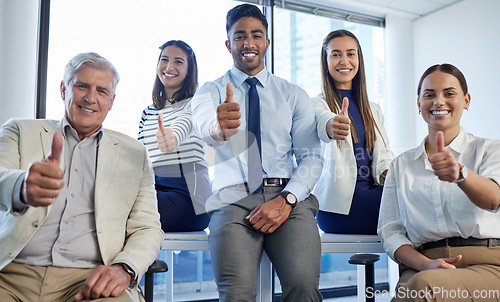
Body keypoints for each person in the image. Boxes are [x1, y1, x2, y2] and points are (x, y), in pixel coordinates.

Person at [0, 52, 163, 301]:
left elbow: (148, 227)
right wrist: (21, 187)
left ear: (111, 101)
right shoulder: (19, 130)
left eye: (101, 91)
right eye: (82, 86)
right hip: (11, 273)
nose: (90, 98)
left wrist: (124, 268)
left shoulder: (135, 153)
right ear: (64, 88)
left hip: (89, 279)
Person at [191, 4, 324, 301]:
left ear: (267, 42)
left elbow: (312, 158)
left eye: (256, 35)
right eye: (239, 36)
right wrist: (218, 126)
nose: (248, 43)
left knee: (303, 287)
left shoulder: (293, 94)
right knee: (236, 294)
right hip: (233, 200)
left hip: (288, 198)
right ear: (228, 44)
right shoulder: (210, 92)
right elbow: (203, 125)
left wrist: (287, 199)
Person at [378, 63, 500, 301]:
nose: (439, 101)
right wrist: (425, 264)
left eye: (449, 93)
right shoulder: (401, 164)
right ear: (418, 104)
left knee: (424, 288)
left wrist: (461, 175)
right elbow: (390, 232)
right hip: (423, 266)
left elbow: (494, 198)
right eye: (429, 95)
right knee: (415, 288)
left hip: (488, 264)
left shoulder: (489, 150)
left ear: (466, 100)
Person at [312, 29, 393, 235]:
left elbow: (383, 155)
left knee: (417, 197)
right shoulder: (316, 105)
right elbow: (323, 122)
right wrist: (332, 126)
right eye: (336, 54)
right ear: (326, 60)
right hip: (338, 207)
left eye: (350, 53)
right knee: (416, 210)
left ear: (359, 58)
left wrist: (389, 172)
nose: (344, 61)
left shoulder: (373, 108)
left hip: (374, 193)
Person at [138, 40, 211, 232]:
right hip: (156, 189)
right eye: (164, 60)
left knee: (126, 210)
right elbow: (141, 159)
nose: (169, 67)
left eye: (178, 61)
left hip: (191, 196)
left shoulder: (196, 103)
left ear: (189, 70)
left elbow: (184, 123)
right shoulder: (147, 112)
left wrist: (173, 137)